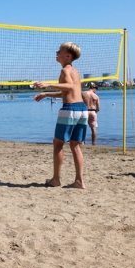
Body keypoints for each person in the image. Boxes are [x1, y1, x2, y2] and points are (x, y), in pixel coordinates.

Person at [33, 42, 88, 189]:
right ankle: (79, 181)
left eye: (60, 51)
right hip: (82, 109)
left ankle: (56, 179)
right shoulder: (75, 71)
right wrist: (46, 94)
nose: (56, 52)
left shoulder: (65, 71)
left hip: (70, 109)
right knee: (75, 145)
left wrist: (47, 84)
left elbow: (69, 87)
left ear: (68, 56)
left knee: (58, 144)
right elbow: (68, 92)